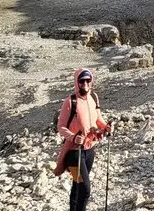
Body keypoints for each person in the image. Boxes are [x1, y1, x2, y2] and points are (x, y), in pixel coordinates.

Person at [54, 68, 112, 211]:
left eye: (88, 80)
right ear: (77, 82)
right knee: (85, 189)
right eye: (82, 81)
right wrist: (73, 137)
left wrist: (105, 127)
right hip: (74, 153)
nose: (85, 84)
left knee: (78, 185)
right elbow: (61, 127)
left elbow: (98, 119)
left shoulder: (94, 97)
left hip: (89, 150)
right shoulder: (70, 102)